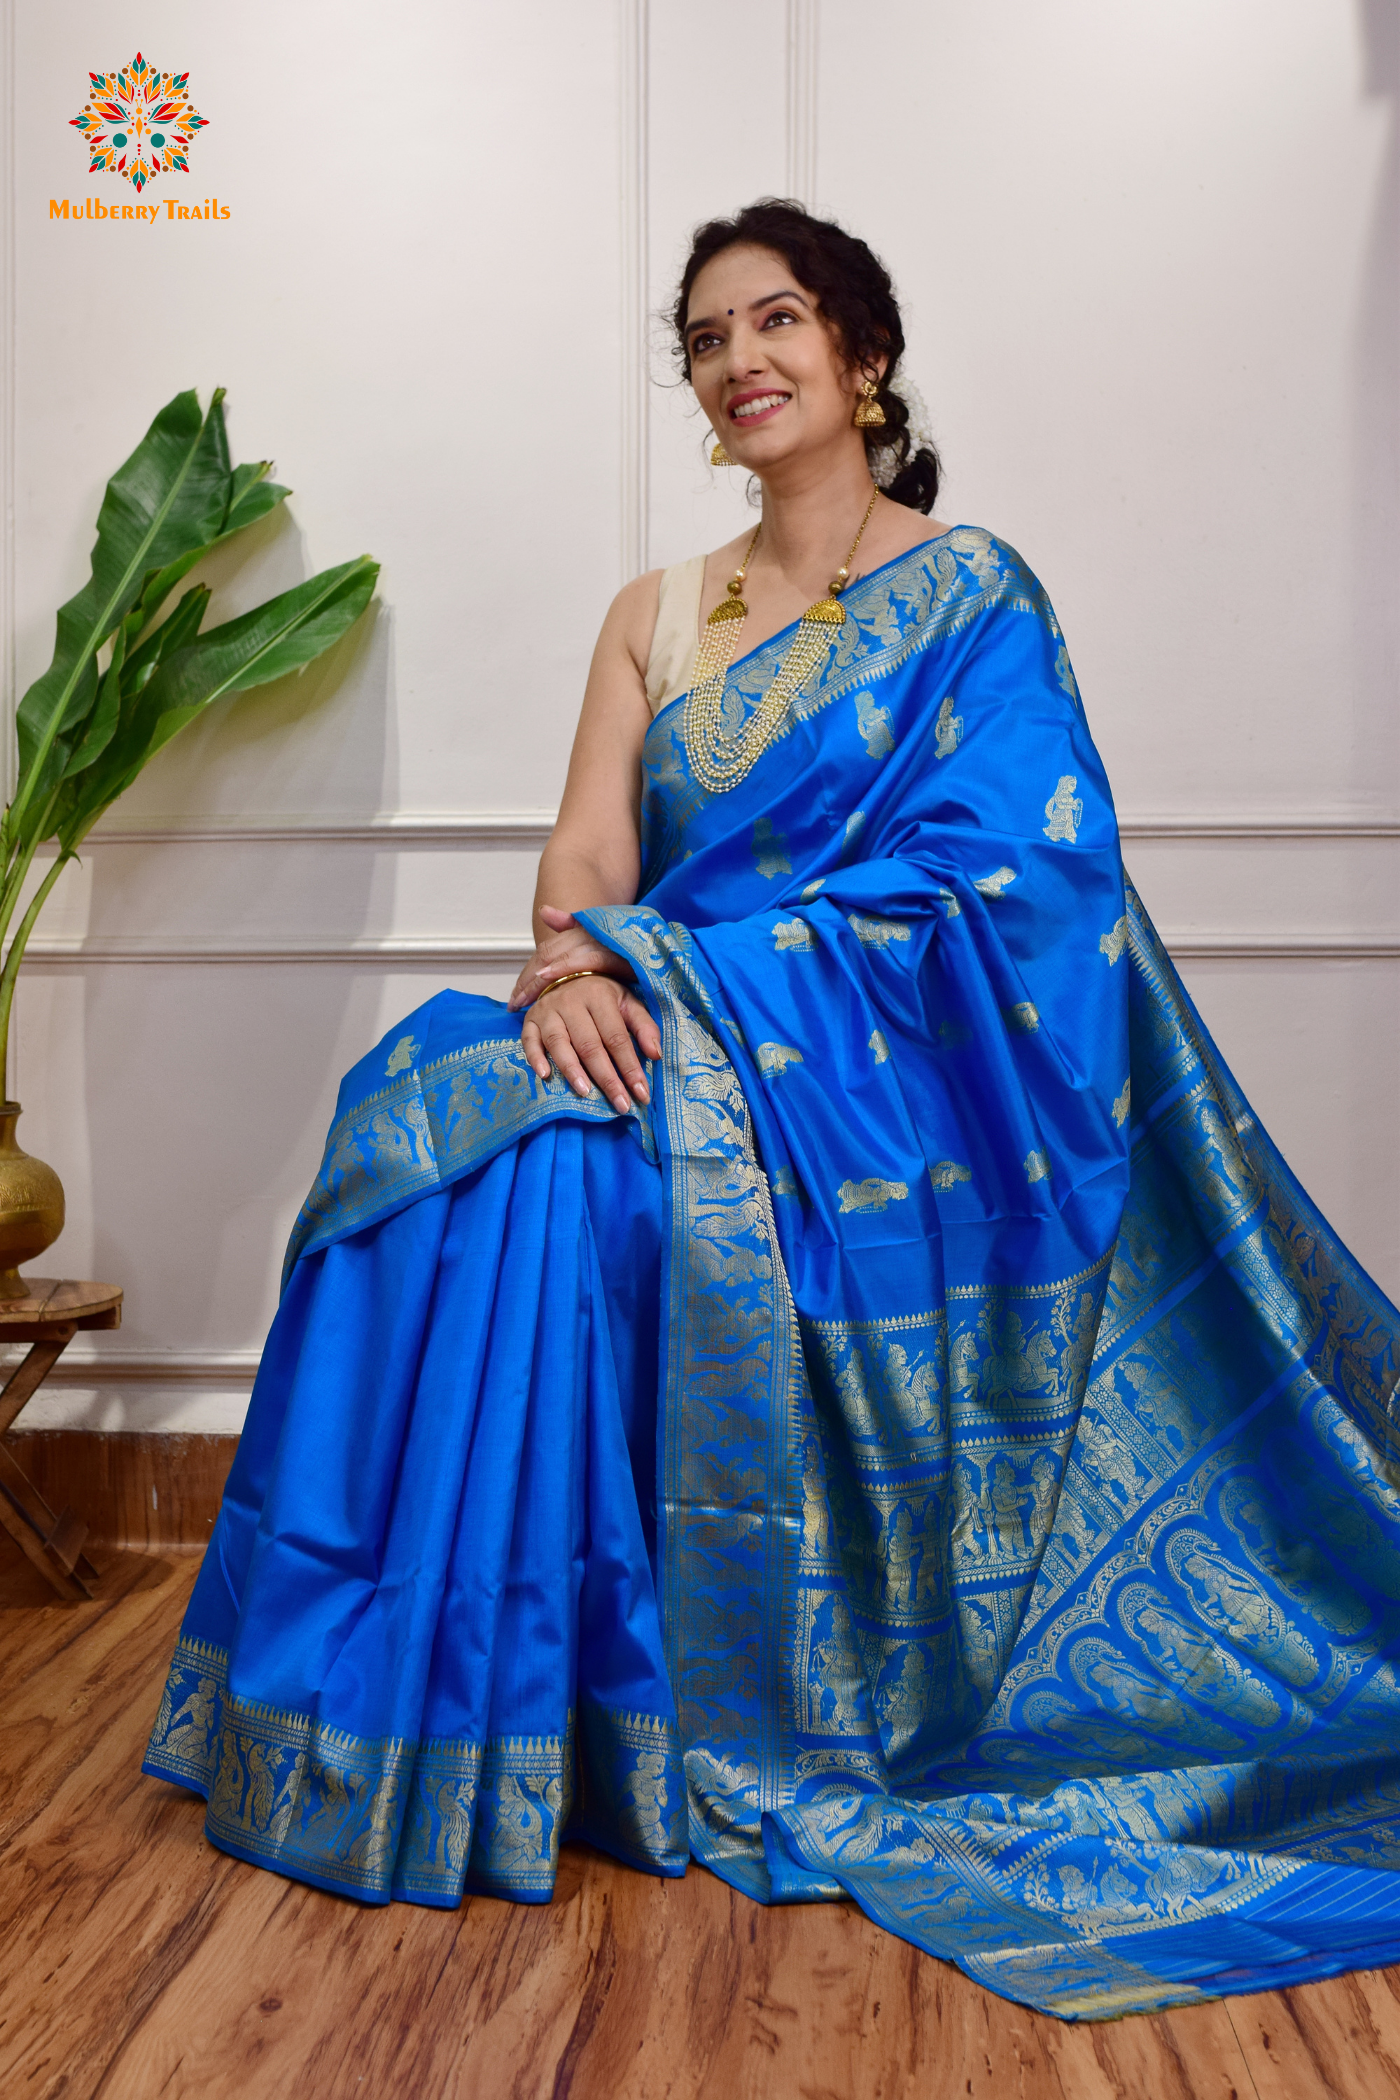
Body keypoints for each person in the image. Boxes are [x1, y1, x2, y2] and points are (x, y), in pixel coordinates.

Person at [145, 200, 1400, 2021]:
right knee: (433, 1108)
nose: (741, 361)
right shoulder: (656, 611)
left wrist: (675, 977)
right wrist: (574, 962)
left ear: (862, 357)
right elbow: (588, 844)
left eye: (779, 322)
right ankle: (417, 1720)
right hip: (656, 1007)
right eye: (710, 338)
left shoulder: (972, 597)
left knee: (553, 1179)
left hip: (867, 1091)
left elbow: (1019, 894)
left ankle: (529, 1717)